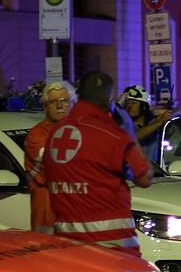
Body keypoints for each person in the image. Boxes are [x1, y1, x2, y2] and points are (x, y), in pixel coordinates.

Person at [43, 71, 153, 256]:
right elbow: (145, 178)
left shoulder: (56, 134)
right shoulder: (113, 135)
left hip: (68, 244)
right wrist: (130, 133)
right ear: (108, 100)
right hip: (113, 246)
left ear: (78, 96)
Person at [23, 81, 75, 233]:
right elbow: (57, 166)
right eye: (53, 102)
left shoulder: (79, 130)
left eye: (64, 101)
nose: (59, 106)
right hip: (48, 211)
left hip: (73, 209)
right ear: (45, 107)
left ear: (72, 103)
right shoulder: (37, 135)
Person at [117, 85, 172, 156]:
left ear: (143, 106)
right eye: (127, 103)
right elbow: (135, 136)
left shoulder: (153, 124)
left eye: (134, 103)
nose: (129, 106)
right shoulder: (124, 125)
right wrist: (160, 122)